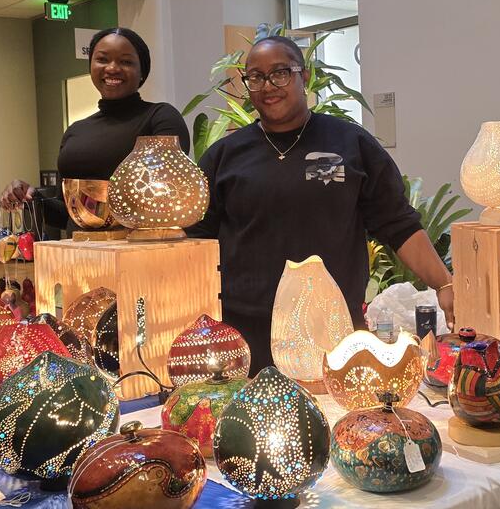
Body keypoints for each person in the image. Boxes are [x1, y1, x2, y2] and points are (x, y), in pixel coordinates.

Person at [187, 36, 454, 374]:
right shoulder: (224, 156)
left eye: (280, 73)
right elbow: (196, 243)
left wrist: (444, 283)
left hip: (334, 328)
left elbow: (398, 225)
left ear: (304, 76)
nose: (268, 86)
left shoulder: (351, 143)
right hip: (243, 333)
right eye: (256, 77)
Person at [0, 27, 189, 229]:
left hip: (140, 246)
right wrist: (31, 197)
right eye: (102, 59)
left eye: (126, 62)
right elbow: (67, 215)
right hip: (80, 247)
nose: (112, 68)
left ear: (142, 71)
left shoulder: (160, 117)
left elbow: (164, 198)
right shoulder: (75, 131)